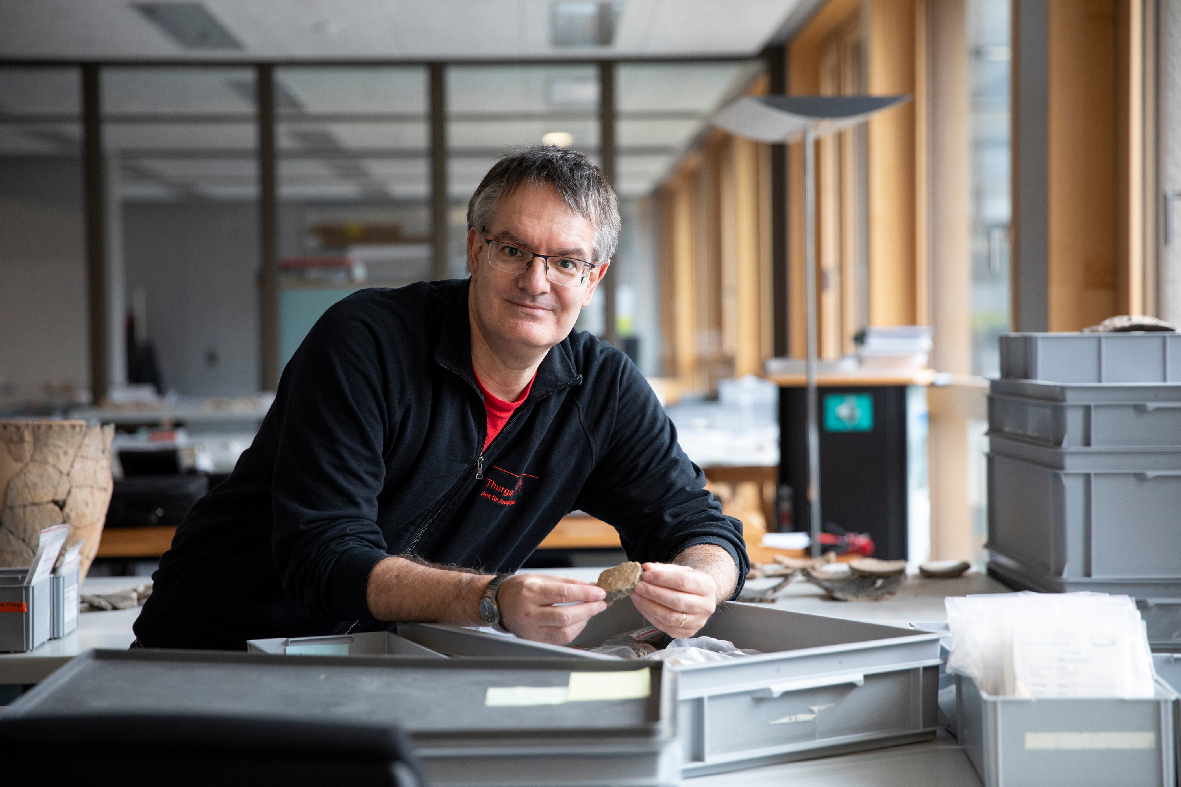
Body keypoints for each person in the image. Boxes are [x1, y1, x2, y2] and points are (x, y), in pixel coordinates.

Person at [133, 145, 748, 650]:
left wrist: (702, 582)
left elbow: (699, 524)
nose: (537, 282)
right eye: (514, 250)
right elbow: (323, 554)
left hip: (386, 660)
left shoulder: (602, 390)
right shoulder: (366, 341)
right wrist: (489, 599)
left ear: (594, 280)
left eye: (566, 262)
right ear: (476, 249)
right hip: (217, 652)